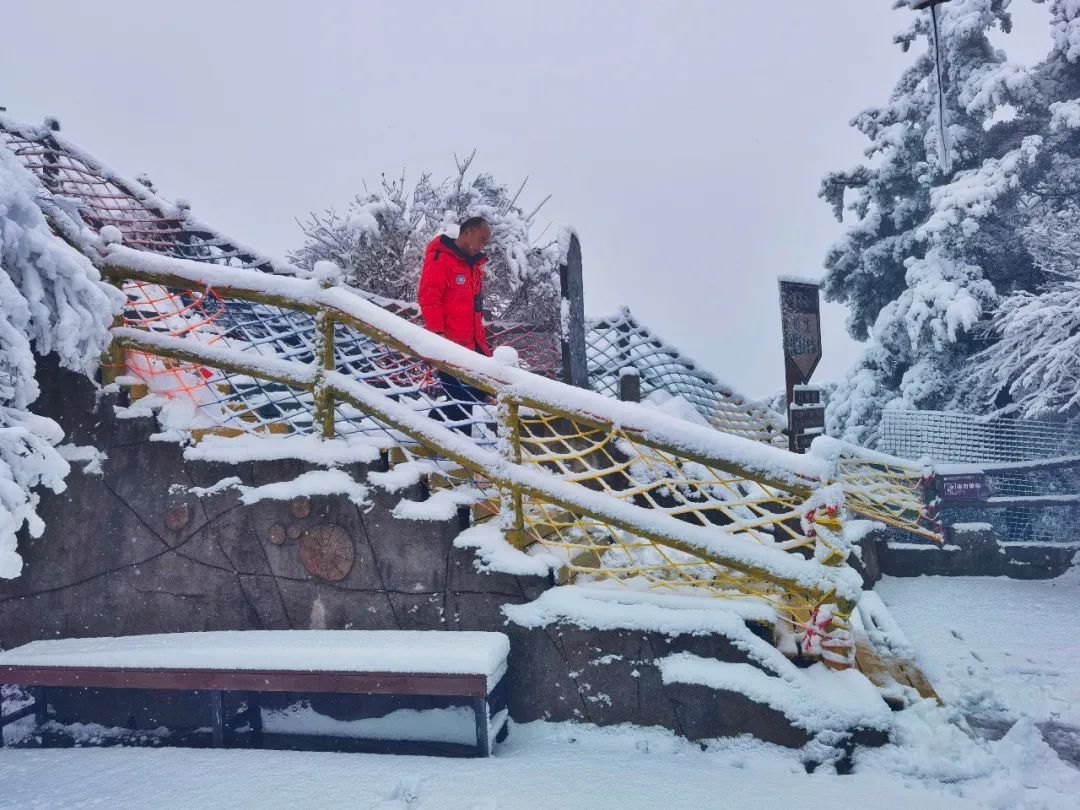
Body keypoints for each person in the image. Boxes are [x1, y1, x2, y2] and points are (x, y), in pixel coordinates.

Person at [417, 216, 494, 432]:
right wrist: (437, 335)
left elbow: (473, 309)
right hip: (449, 346)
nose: (483, 246)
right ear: (467, 232)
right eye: (482, 239)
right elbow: (429, 297)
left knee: (476, 394)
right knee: (461, 400)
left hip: (472, 345)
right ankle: (460, 450)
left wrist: (481, 344)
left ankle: (430, 430)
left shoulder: (473, 267)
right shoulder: (441, 259)